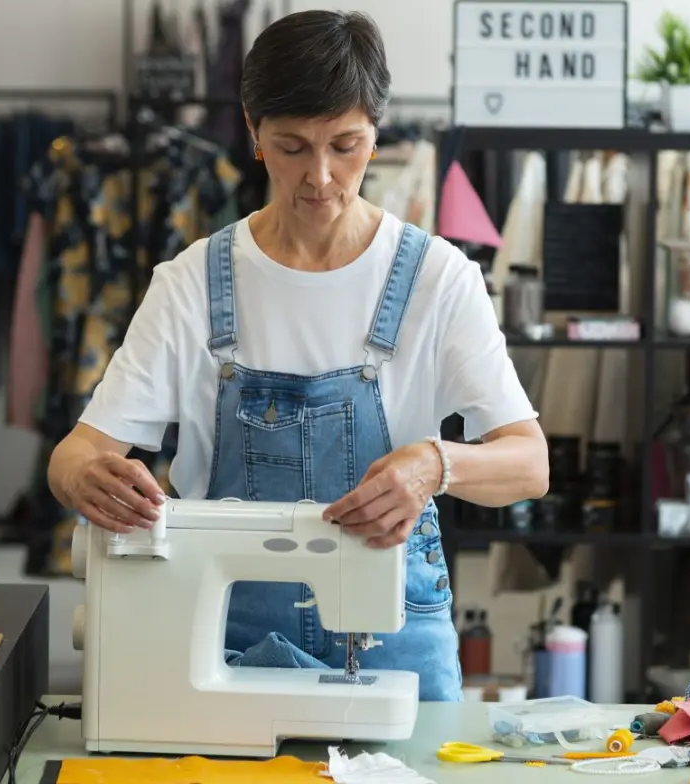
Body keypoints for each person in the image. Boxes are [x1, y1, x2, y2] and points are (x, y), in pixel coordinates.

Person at [46, 10, 548, 702]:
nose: (319, 176)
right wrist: (86, 481)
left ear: (377, 132)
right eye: (291, 147)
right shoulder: (193, 284)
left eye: (345, 145)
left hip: (398, 636)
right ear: (252, 131)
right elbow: (73, 454)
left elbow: (530, 463)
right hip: (224, 635)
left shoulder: (439, 279)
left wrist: (437, 463)